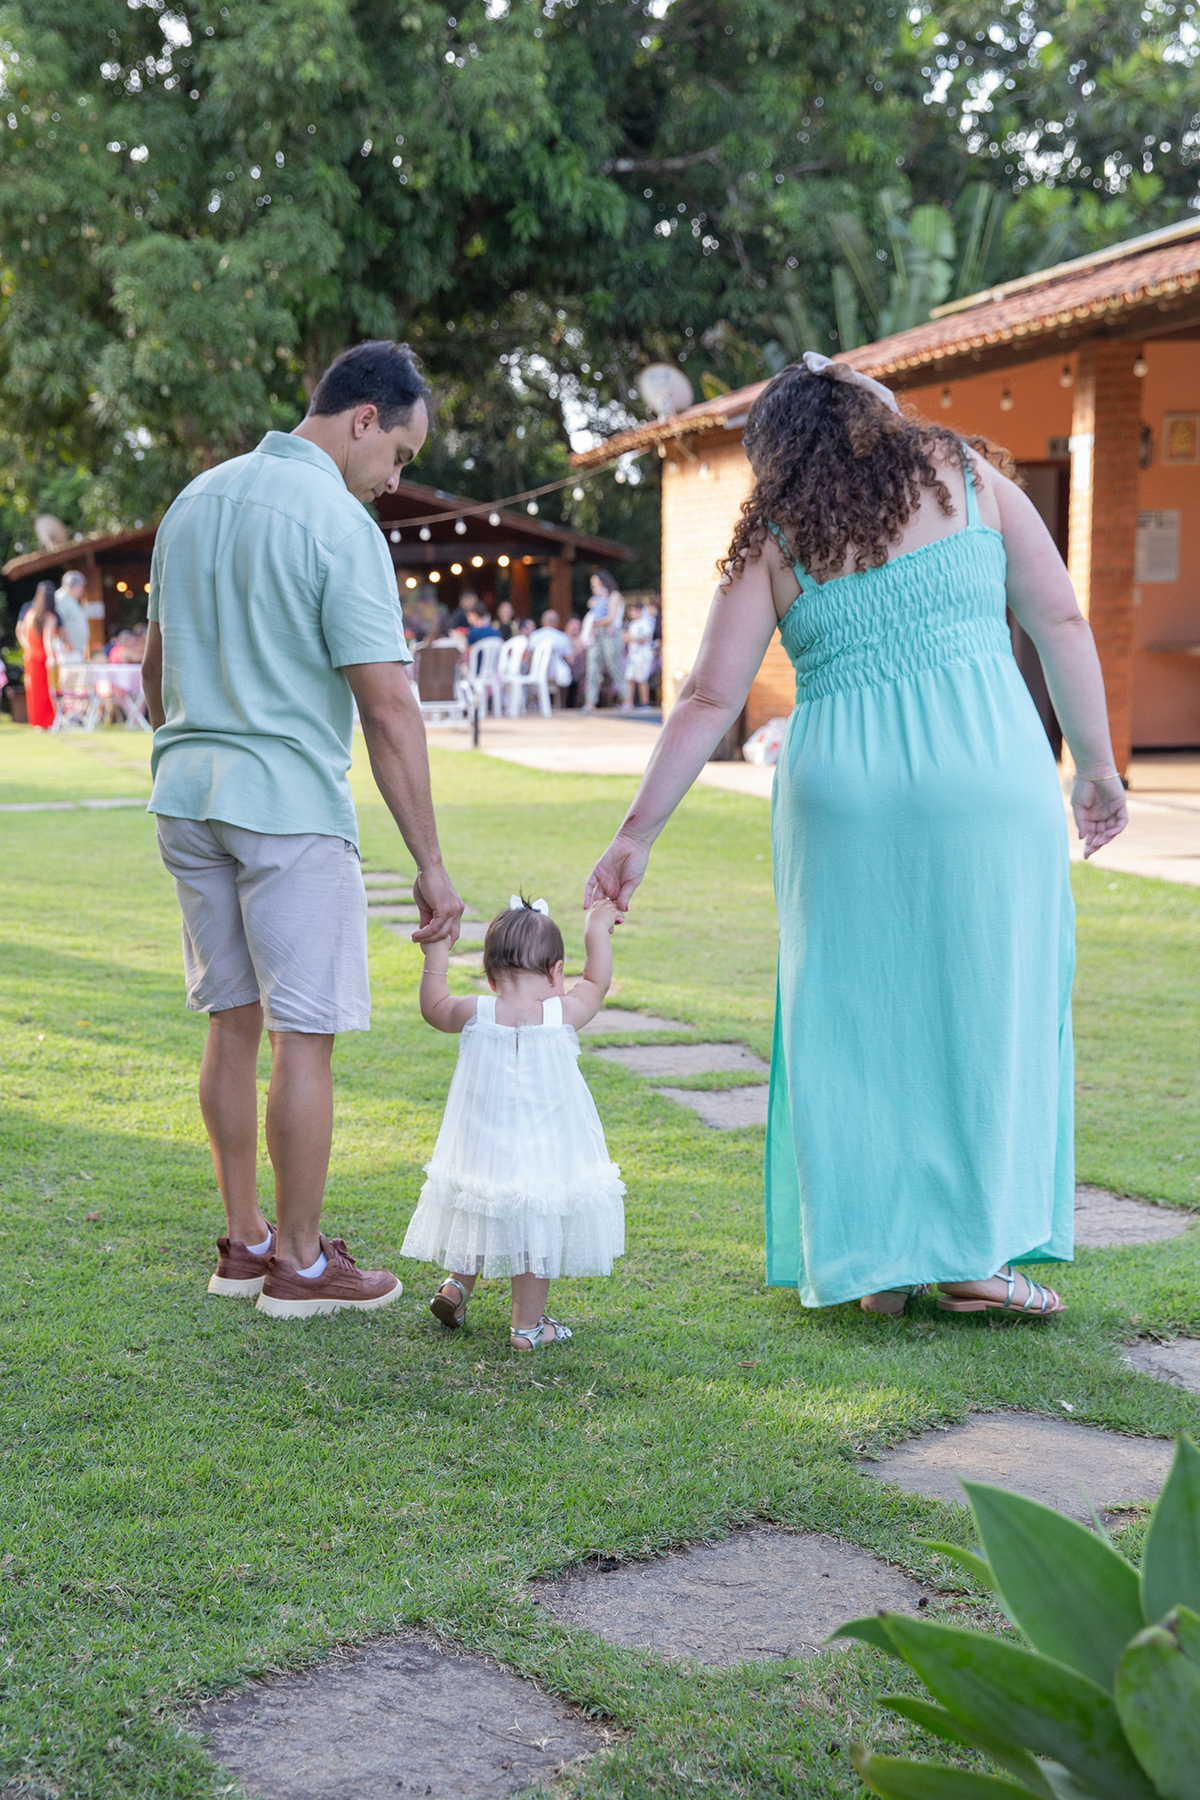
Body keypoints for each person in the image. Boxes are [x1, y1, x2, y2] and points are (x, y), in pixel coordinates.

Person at [586, 353, 1128, 1321]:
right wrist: (1096, 766)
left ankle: (878, 1262)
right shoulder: (967, 478)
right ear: (876, 416)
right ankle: (974, 1258)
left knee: (857, 1021)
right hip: (987, 781)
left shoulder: (778, 537)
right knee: (986, 1007)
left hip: (844, 799)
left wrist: (636, 835)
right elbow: (1060, 618)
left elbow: (709, 696)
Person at [142, 339, 464, 1319]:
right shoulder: (338, 520)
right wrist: (431, 866)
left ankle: (244, 1245)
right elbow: (389, 708)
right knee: (305, 1036)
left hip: (186, 795)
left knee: (231, 1023)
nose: (394, 480)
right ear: (364, 419)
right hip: (285, 805)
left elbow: (155, 672)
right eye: (399, 455)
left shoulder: (194, 499)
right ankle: (302, 1265)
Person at [403, 895, 625, 1348]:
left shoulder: (476, 1012)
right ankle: (527, 1328)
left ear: (489, 977)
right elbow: (597, 981)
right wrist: (595, 928)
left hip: (482, 1145)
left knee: (480, 1202)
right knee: (533, 1223)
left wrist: (437, 951)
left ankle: (456, 1287)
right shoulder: (562, 1013)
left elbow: (434, 1006)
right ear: (556, 973)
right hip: (543, 1150)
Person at [581, 569, 629, 712]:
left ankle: (626, 699)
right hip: (597, 634)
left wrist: (594, 623)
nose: (594, 587)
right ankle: (590, 702)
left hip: (610, 634)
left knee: (614, 665)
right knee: (592, 666)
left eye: (596, 583)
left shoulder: (615, 596)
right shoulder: (597, 598)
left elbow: (611, 617)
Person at [16, 581, 59, 729]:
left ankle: (37, 722)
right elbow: (47, 639)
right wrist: (51, 657)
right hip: (43, 658)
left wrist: (27, 647)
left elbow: (20, 631)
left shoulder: (29, 614)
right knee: (47, 691)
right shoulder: (49, 617)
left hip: (31, 656)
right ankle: (48, 721)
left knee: (33, 691)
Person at [53, 570, 91, 663]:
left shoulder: (71, 599)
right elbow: (57, 623)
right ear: (75, 586)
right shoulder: (61, 598)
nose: (82, 590)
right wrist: (66, 642)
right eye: (81, 586)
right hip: (67, 649)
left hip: (74, 650)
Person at [624, 600, 657, 708]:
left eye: (634, 611)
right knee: (629, 678)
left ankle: (645, 703)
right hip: (632, 656)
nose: (631, 613)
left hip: (643, 656)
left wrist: (631, 638)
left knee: (642, 679)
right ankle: (628, 703)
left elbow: (645, 638)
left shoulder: (645, 622)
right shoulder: (632, 624)